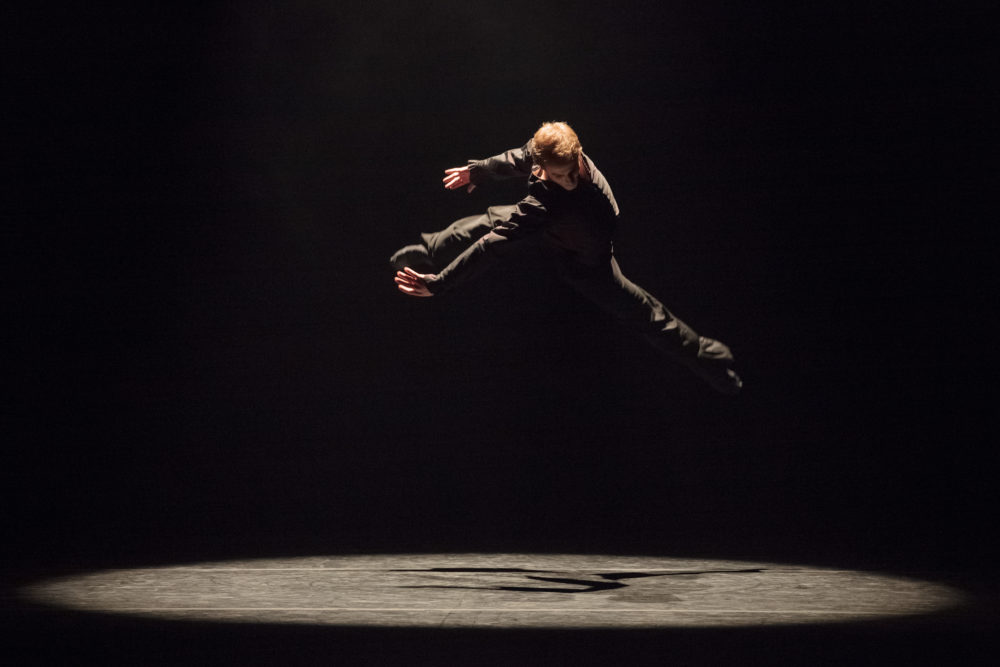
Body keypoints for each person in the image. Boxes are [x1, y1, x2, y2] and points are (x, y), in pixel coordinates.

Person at [391, 121, 742, 395]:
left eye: (569, 171)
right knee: (490, 217)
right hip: (558, 230)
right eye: (558, 174)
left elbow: (491, 247)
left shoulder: (557, 201)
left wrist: (440, 284)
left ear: (577, 156)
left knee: (649, 316)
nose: (570, 178)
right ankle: (429, 249)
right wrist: (478, 170)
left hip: (587, 266)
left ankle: (711, 361)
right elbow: (518, 157)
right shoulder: (553, 151)